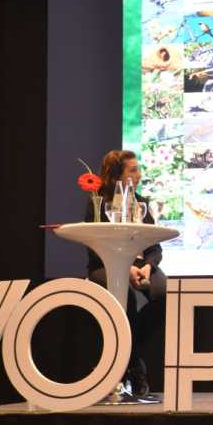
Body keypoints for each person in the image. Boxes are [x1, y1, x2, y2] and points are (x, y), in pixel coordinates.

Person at [84, 149, 166, 398]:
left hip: (141, 265)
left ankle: (129, 353)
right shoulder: (98, 202)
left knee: (165, 293)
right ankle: (134, 367)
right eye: (133, 170)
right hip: (105, 265)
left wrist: (148, 266)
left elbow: (155, 246)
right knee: (125, 298)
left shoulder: (141, 202)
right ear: (117, 175)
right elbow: (93, 245)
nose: (139, 175)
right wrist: (125, 267)